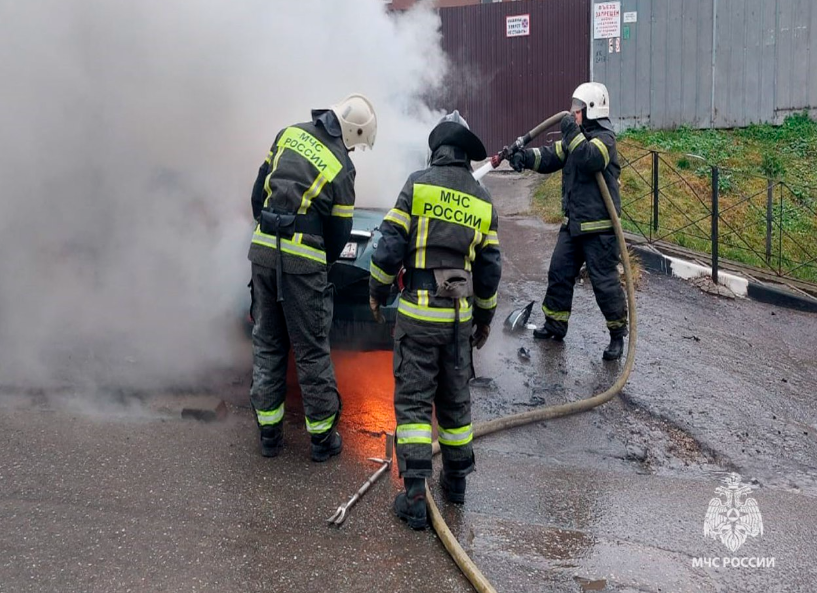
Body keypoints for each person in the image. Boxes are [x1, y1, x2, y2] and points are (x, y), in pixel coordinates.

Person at [369, 111, 501, 529]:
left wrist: (378, 290)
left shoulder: (417, 184)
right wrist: (483, 319)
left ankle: (413, 497)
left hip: (418, 317)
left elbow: (389, 247)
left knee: (413, 402)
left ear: (436, 151)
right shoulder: (482, 199)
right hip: (459, 319)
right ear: (465, 156)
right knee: (455, 400)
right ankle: (456, 484)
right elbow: (491, 268)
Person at [248, 94, 377, 461]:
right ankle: (321, 439)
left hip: (262, 252)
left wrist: (268, 232)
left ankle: (269, 436)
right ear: (352, 133)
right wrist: (321, 263)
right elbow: (339, 230)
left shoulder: (286, 134)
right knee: (310, 348)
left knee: (268, 341)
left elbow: (258, 195)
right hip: (302, 263)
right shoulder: (341, 166)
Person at [509, 82, 628, 361]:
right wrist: (523, 157)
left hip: (599, 229)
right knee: (559, 273)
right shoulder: (578, 138)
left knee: (604, 283)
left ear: (591, 110)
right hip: (573, 224)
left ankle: (617, 336)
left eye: (578, 109)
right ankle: (554, 325)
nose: (573, 113)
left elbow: (589, 159)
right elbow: (551, 156)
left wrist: (571, 131)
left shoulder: (604, 139)